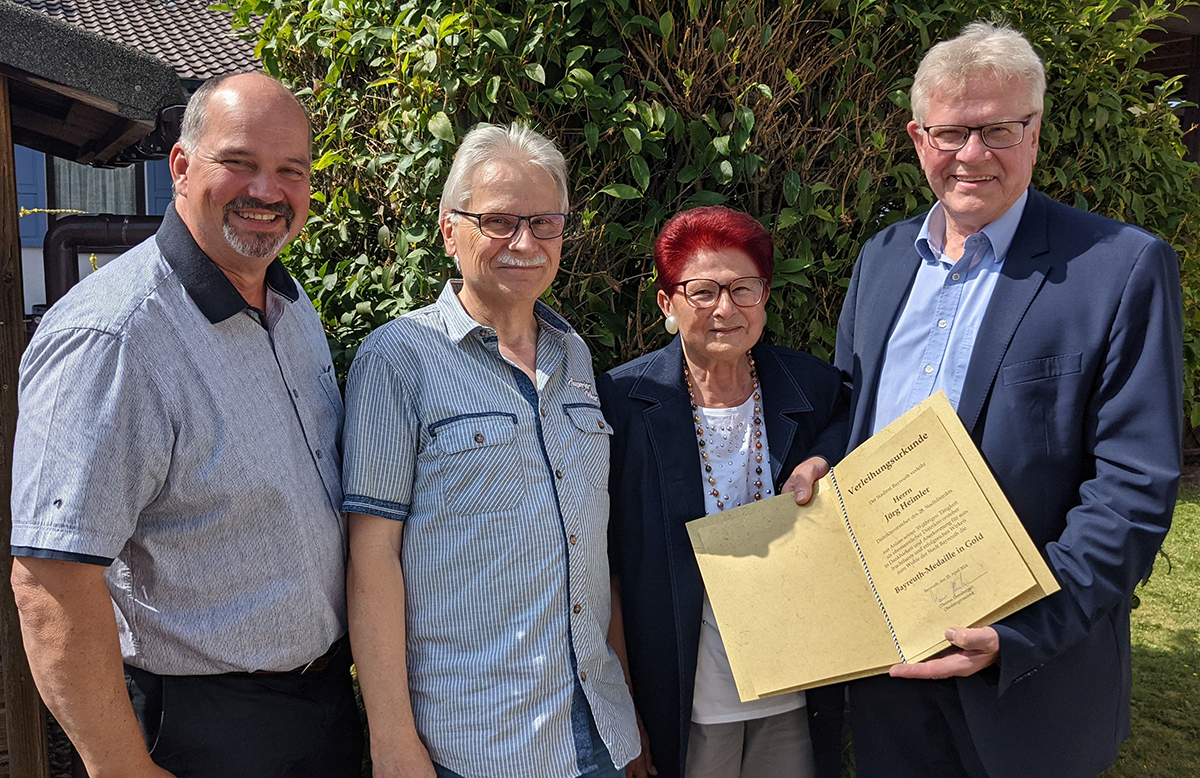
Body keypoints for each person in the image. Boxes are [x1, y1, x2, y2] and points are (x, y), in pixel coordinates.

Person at [830, 21, 1182, 777]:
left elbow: (1135, 488)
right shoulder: (882, 260)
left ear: (1035, 130)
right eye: (953, 132)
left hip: (1033, 682)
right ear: (919, 137)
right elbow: (851, 417)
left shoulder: (1119, 267)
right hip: (889, 670)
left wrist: (1024, 629)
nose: (974, 154)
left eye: (998, 129)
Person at [8, 73, 363, 778]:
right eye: (239, 163)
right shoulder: (114, 338)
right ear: (181, 166)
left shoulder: (293, 311)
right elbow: (50, 580)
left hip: (319, 707)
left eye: (290, 171)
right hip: (203, 733)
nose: (267, 191)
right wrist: (122, 768)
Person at [343, 122, 640, 778]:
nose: (526, 243)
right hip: (475, 749)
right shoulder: (398, 361)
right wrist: (392, 740)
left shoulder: (576, 357)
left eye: (544, 222)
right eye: (500, 222)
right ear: (451, 229)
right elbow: (372, 562)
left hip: (597, 731)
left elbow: (594, 546)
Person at [598, 206, 848, 778]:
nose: (725, 309)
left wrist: (820, 459)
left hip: (796, 682)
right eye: (703, 291)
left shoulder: (811, 386)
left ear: (765, 295)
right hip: (689, 692)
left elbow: (857, 429)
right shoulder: (623, 403)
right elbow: (604, 564)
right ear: (667, 303)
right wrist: (624, 704)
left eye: (743, 289)